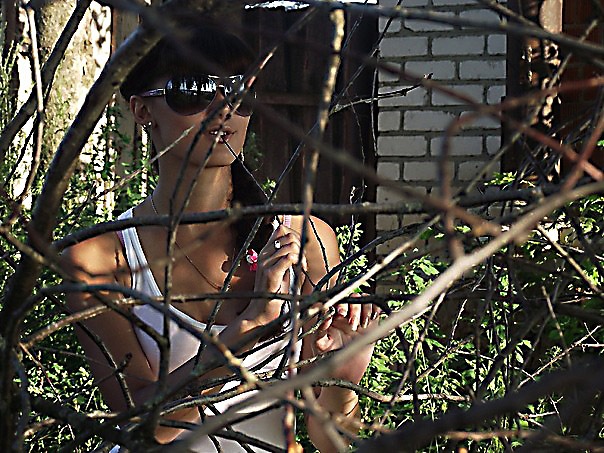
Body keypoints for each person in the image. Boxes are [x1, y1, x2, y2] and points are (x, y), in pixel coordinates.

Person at [64, 13, 378, 452]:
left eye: (237, 90)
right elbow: (138, 429)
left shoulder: (304, 241)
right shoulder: (99, 258)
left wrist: (343, 380)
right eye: (193, 89)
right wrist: (250, 326)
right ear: (142, 110)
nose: (222, 107)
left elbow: (329, 441)